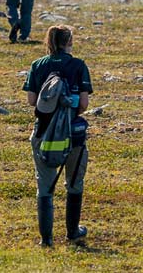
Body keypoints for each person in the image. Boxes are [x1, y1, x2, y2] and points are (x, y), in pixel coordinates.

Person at [23, 25, 92, 247]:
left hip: (43, 133)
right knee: (74, 182)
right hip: (73, 134)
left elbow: (32, 101)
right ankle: (72, 231)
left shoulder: (37, 65)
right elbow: (83, 104)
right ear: (69, 41)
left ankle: (47, 238)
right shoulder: (79, 65)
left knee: (44, 186)